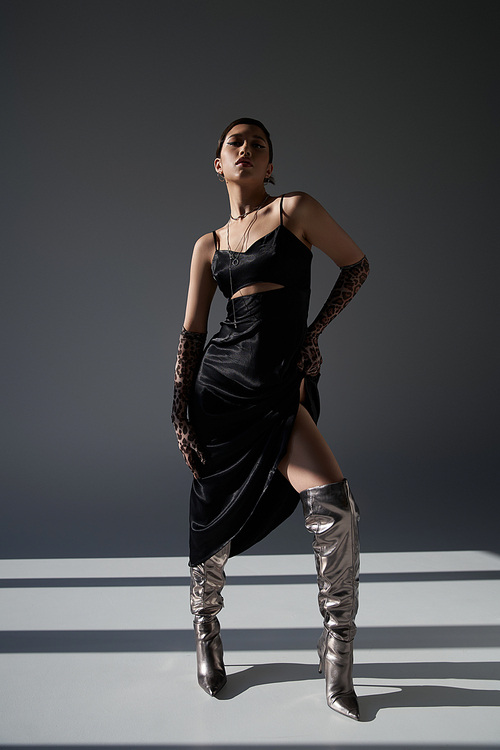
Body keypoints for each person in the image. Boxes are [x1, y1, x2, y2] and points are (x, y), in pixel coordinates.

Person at [172, 118, 369, 720]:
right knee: (214, 519)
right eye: (236, 143)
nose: (247, 149)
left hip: (280, 387)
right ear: (218, 163)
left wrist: (312, 335)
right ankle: (205, 625)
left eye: (259, 144)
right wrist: (179, 404)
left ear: (270, 165)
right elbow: (193, 333)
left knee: (333, 504)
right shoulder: (208, 245)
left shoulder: (295, 211)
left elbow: (356, 266)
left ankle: (337, 650)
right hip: (220, 391)